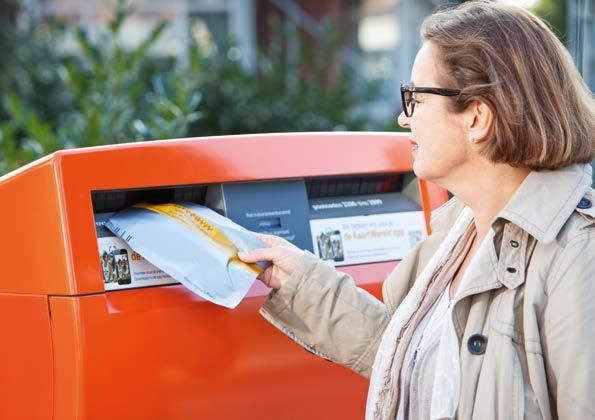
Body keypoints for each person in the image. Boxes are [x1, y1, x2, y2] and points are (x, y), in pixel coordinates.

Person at [238, 2, 594, 419]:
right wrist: (301, 281)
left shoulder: (578, 254)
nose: (402, 118)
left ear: (477, 118)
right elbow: (415, 361)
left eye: (415, 98)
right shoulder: (456, 233)